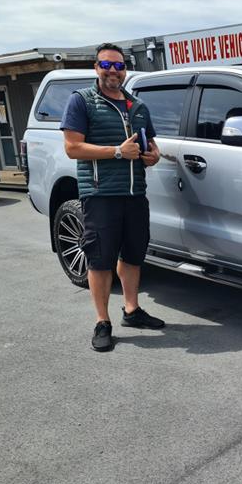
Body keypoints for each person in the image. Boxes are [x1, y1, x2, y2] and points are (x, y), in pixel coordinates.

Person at [61, 43, 164, 352]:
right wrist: (118, 151)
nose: (113, 71)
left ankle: (131, 310)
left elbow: (150, 144)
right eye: (106, 65)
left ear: (125, 70)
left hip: (135, 194)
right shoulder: (81, 101)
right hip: (100, 194)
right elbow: (72, 148)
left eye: (118, 66)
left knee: (133, 255)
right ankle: (102, 322)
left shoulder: (138, 106)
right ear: (96, 68)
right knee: (100, 259)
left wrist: (153, 155)